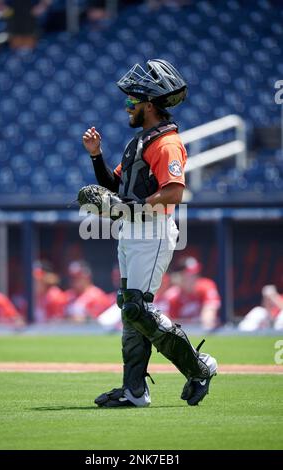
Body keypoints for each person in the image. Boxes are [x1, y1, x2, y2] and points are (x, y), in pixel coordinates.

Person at [82, 59, 218, 408]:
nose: (127, 106)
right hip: (131, 229)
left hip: (152, 230)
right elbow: (115, 185)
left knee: (138, 309)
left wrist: (126, 209)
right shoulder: (139, 143)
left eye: (132, 101)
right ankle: (134, 392)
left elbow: (173, 192)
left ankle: (199, 367)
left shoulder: (166, 144)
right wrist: (96, 157)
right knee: (129, 308)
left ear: (150, 105)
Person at [165, 257, 221, 331]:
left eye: (195, 274)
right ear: (179, 277)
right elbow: (171, 324)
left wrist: (204, 330)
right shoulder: (172, 296)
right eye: (189, 275)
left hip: (204, 332)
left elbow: (209, 316)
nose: (195, 277)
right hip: (184, 334)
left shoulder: (206, 286)